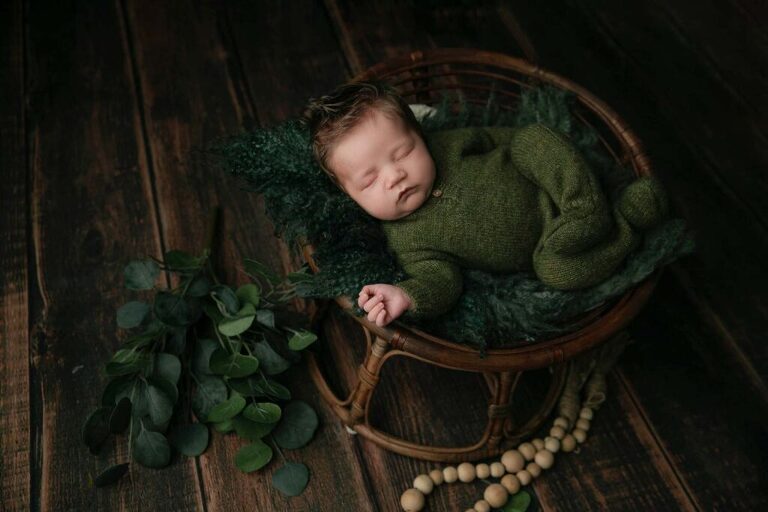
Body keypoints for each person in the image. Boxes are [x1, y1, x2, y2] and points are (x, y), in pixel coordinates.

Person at [301, 80, 670, 327]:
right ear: (350, 196)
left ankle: (586, 208)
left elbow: (501, 137)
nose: (394, 175)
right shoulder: (408, 241)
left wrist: (532, 146)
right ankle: (626, 223)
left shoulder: (448, 144)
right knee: (557, 273)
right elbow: (441, 281)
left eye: (404, 152)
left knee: (533, 141)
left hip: (547, 182)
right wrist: (405, 295)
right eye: (369, 181)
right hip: (550, 245)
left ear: (420, 135)